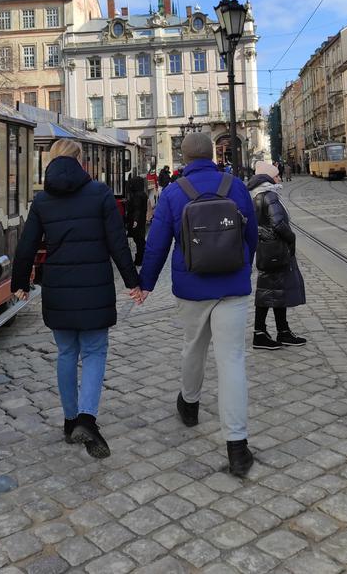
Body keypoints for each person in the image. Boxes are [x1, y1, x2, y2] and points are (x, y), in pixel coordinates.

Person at [134, 132, 258, 477]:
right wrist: (243, 266)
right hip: (233, 285)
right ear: (213, 156)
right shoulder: (235, 187)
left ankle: (189, 404)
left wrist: (145, 284)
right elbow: (251, 234)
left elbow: (157, 244)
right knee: (232, 360)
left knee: (193, 347)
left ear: (184, 158)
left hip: (191, 287)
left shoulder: (173, 193)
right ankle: (237, 446)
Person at [11, 138, 139, 459]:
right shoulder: (100, 193)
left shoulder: (42, 200)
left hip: (58, 288)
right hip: (95, 286)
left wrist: (20, 283)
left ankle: (70, 422)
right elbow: (117, 243)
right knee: (95, 351)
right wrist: (132, 281)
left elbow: (26, 245)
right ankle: (86, 417)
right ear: (80, 160)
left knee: (67, 352)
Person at [248, 162, 306, 350]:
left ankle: (280, 331)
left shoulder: (255, 195)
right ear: (269, 178)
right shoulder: (269, 195)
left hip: (265, 249)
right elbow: (279, 223)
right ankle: (261, 333)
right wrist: (291, 238)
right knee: (268, 291)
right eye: (276, 176)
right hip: (275, 249)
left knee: (273, 289)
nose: (279, 178)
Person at [126, 175, 148, 266]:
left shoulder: (137, 196)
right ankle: (141, 257)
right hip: (141, 220)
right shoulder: (142, 194)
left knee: (138, 240)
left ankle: (140, 259)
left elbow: (137, 209)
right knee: (140, 240)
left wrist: (135, 220)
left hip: (137, 220)